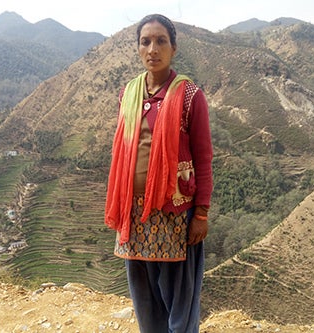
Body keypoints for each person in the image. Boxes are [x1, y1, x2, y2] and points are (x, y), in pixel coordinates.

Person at [104, 13, 213, 333]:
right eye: (145, 41)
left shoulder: (190, 96)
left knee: (179, 295)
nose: (153, 48)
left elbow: (204, 159)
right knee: (144, 294)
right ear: (138, 49)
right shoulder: (129, 93)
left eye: (161, 41)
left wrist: (201, 213)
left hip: (175, 213)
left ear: (174, 48)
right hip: (134, 211)